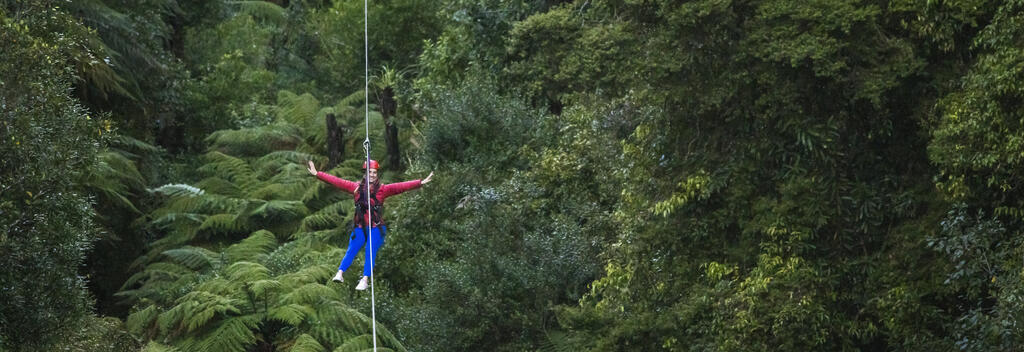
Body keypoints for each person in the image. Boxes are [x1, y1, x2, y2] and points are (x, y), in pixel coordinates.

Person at [307, 159, 433, 290]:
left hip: (376, 226)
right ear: (365, 173)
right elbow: (337, 182)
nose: (372, 174)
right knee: (353, 247)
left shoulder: (383, 190)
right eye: (370, 172)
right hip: (360, 226)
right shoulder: (355, 188)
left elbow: (399, 187)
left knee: (370, 250)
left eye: (374, 172)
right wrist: (318, 174)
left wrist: (419, 183)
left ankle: (365, 279)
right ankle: (340, 273)